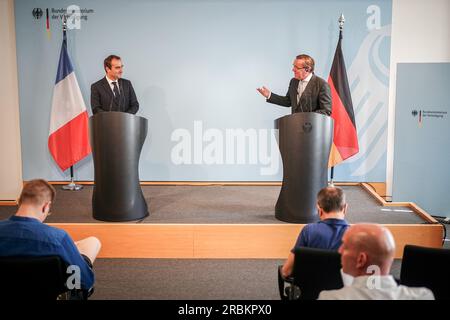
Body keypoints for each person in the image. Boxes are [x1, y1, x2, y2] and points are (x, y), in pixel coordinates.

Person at [0, 179, 101, 291]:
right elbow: (85, 282)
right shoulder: (58, 238)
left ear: (19, 201)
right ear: (46, 207)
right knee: (92, 242)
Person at [318, 224, 434, 300]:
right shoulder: (423, 296)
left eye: (345, 246)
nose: (340, 250)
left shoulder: (329, 297)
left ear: (361, 260)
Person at [281, 186, 349, 278]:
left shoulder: (309, 231)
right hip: (345, 291)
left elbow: (286, 271)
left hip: (313, 291)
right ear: (345, 208)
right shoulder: (358, 235)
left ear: (319, 209)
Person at [257, 54, 331, 115]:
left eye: (296, 67)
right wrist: (269, 95)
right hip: (294, 126)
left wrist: (306, 117)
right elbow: (288, 101)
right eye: (293, 66)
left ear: (307, 69)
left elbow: (326, 111)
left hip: (312, 129)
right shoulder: (293, 82)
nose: (293, 69)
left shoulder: (322, 84)